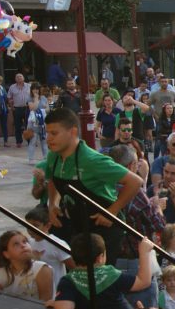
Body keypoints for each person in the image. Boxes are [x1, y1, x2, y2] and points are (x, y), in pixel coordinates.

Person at [45, 108, 144, 264]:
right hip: (79, 225)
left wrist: (112, 212)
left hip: (104, 230)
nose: (48, 138)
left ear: (73, 132)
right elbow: (52, 179)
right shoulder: (53, 156)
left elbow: (135, 182)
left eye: (54, 133)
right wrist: (53, 203)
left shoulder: (91, 160)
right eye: (47, 133)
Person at [53, 234, 154, 309]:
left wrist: (57, 301)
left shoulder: (68, 280)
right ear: (100, 258)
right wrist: (144, 253)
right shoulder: (111, 274)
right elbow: (143, 282)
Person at [0, 230, 54, 302]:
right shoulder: (0, 274)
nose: (23, 245)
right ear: (6, 254)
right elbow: (0, 301)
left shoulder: (41, 269)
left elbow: (45, 303)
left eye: (25, 242)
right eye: (16, 244)